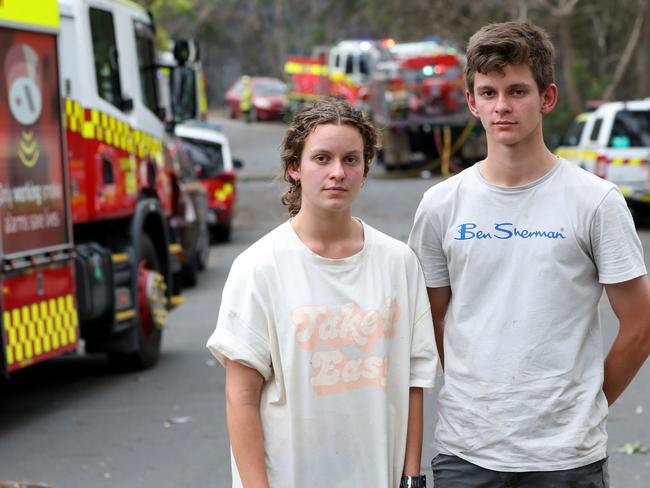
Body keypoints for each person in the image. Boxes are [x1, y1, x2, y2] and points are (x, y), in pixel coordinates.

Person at [408, 20, 650, 487]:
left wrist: (585, 404)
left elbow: (640, 327)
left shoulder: (594, 201)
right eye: (489, 92)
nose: (503, 106)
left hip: (568, 459)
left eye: (517, 91)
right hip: (467, 453)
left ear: (547, 98)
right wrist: (479, 391)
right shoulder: (440, 205)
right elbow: (429, 322)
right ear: (471, 102)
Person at [207, 96, 438, 488]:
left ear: (365, 170)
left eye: (351, 159)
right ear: (294, 168)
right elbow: (241, 400)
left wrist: (412, 475)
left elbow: (413, 380)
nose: (338, 172)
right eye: (322, 159)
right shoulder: (259, 267)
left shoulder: (399, 263)